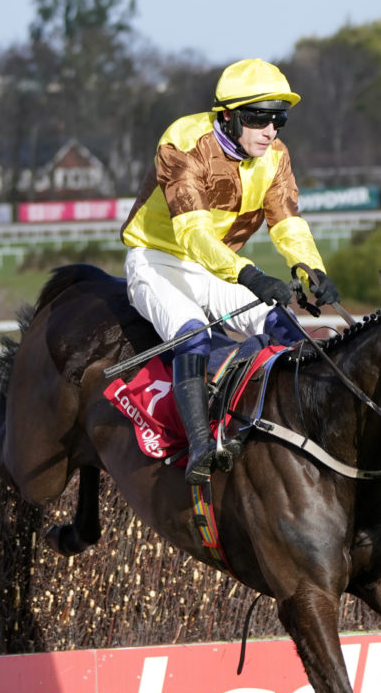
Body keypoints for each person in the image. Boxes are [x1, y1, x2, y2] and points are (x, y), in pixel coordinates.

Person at [120, 57, 341, 485]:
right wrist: (250, 274)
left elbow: (287, 222)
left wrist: (310, 269)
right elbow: (193, 236)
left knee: (285, 326)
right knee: (194, 335)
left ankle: (307, 430)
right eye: (259, 118)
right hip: (159, 258)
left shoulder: (275, 156)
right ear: (229, 116)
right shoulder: (184, 142)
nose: (271, 130)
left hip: (216, 266)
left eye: (279, 119)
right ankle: (201, 444)